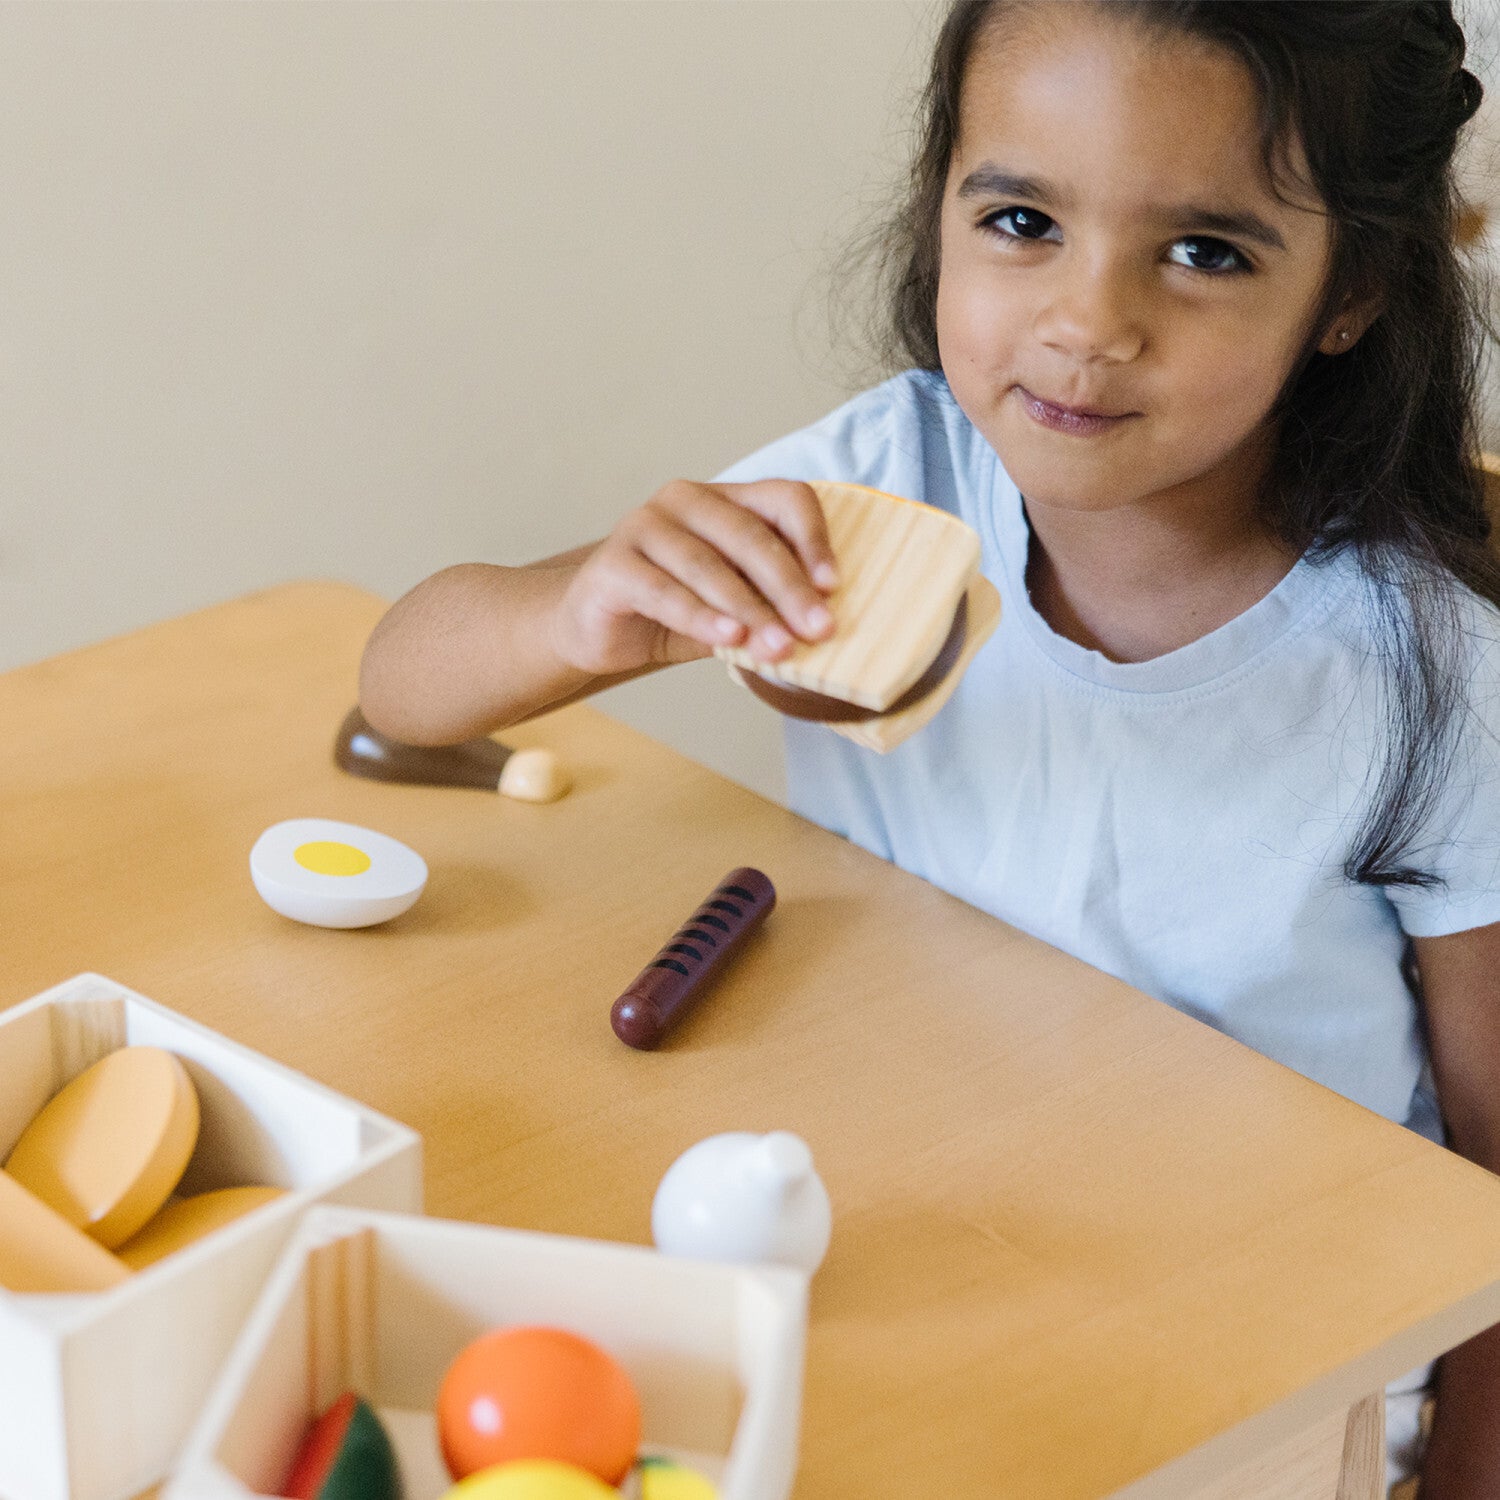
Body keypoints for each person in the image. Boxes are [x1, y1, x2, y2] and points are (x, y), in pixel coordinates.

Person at [359, 3, 1500, 1491]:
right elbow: (404, 687)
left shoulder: (1433, 679)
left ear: (1348, 291)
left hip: (1265, 1374)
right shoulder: (887, 484)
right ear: (941, 208)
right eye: (1023, 221)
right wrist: (582, 614)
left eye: (1204, 252)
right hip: (907, 1256)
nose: (1087, 323)